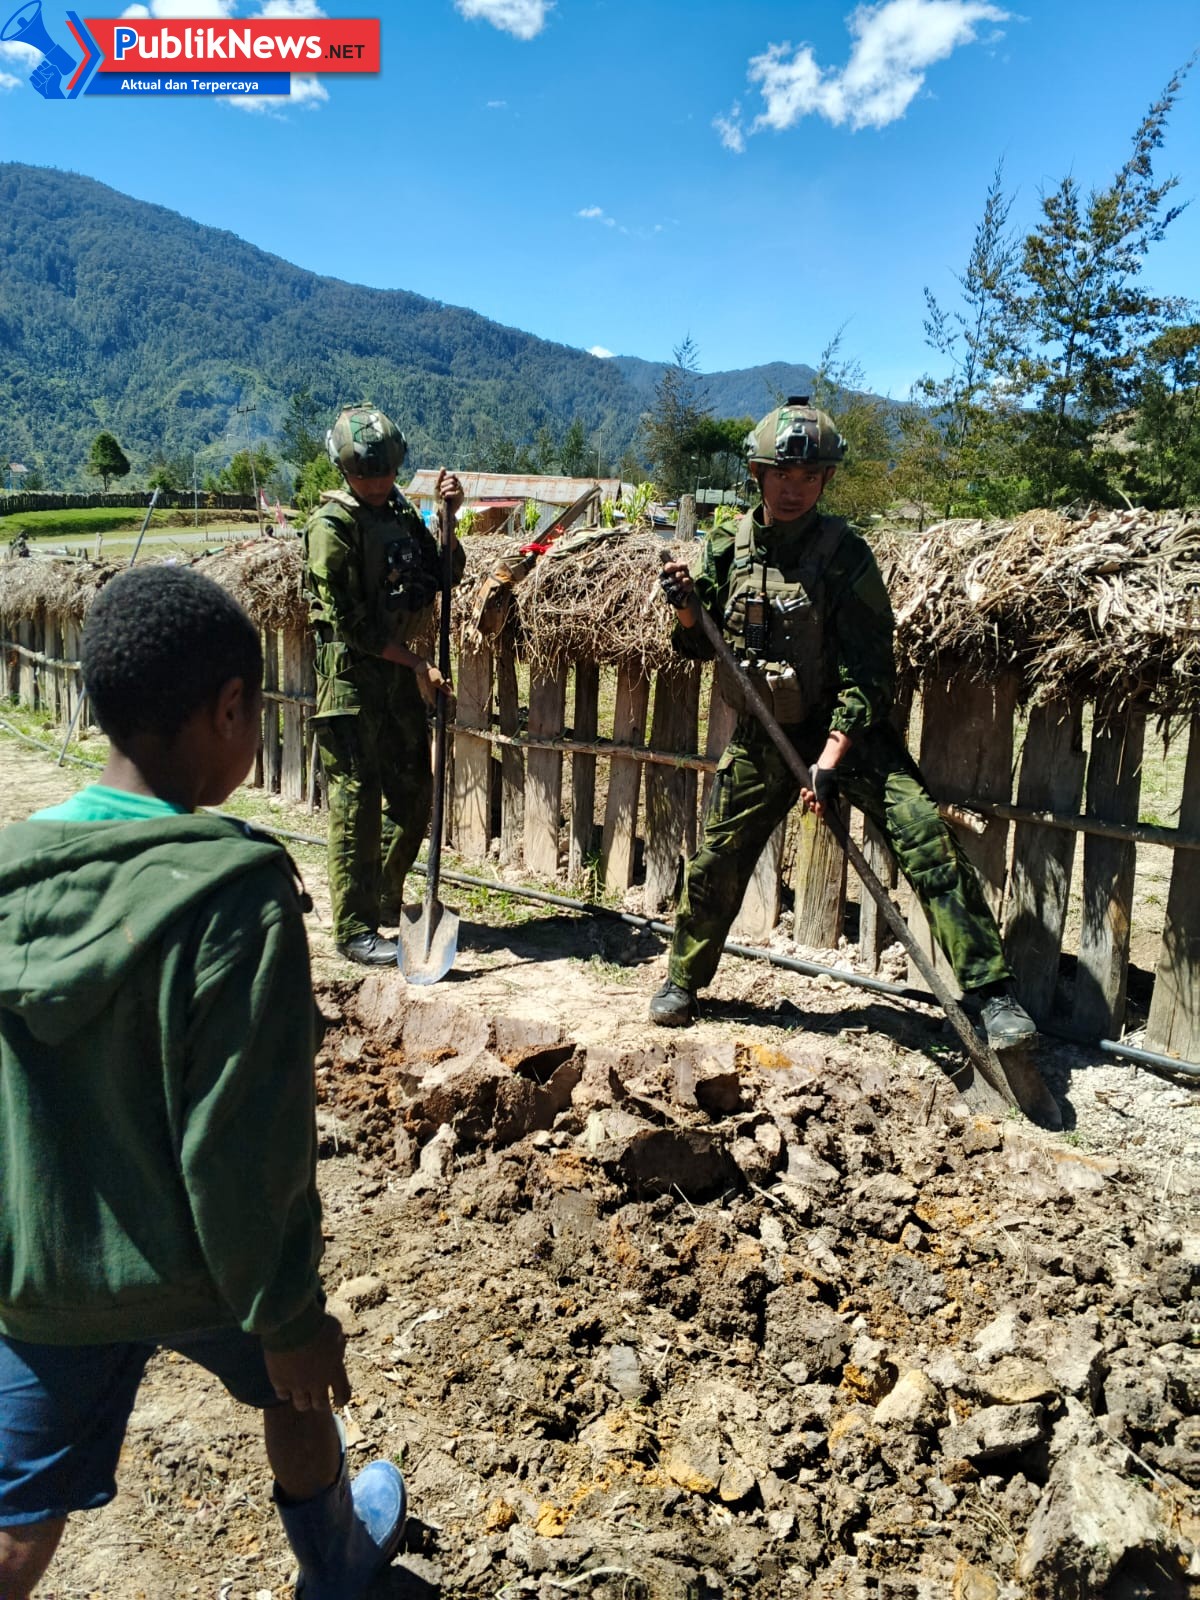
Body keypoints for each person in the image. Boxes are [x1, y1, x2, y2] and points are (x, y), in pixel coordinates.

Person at [0, 566, 406, 1600]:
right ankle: (336, 1565)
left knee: (16, 1516)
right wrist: (290, 1315)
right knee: (297, 1387)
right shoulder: (235, 897)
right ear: (231, 707)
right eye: (256, 708)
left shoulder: (13, 876)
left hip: (50, 1263)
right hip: (205, 1265)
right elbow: (242, 1147)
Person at [651, 396, 1039, 1057]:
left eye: (808, 478)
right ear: (757, 475)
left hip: (848, 737)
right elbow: (696, 648)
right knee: (719, 859)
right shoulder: (726, 548)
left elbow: (871, 674)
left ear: (825, 480)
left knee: (924, 840)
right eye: (780, 476)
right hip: (762, 737)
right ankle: (683, 980)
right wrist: (689, 612)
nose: (793, 488)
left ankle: (992, 996)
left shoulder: (847, 557)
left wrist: (831, 758)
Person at [305, 404, 466, 966]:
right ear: (343, 470)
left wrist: (449, 518)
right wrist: (416, 664)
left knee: (415, 795)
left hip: (398, 673)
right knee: (356, 802)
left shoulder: (398, 509)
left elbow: (442, 574)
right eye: (364, 474)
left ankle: (384, 901)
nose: (376, 484)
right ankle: (353, 929)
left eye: (385, 473)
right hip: (350, 680)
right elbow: (351, 623)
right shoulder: (331, 528)